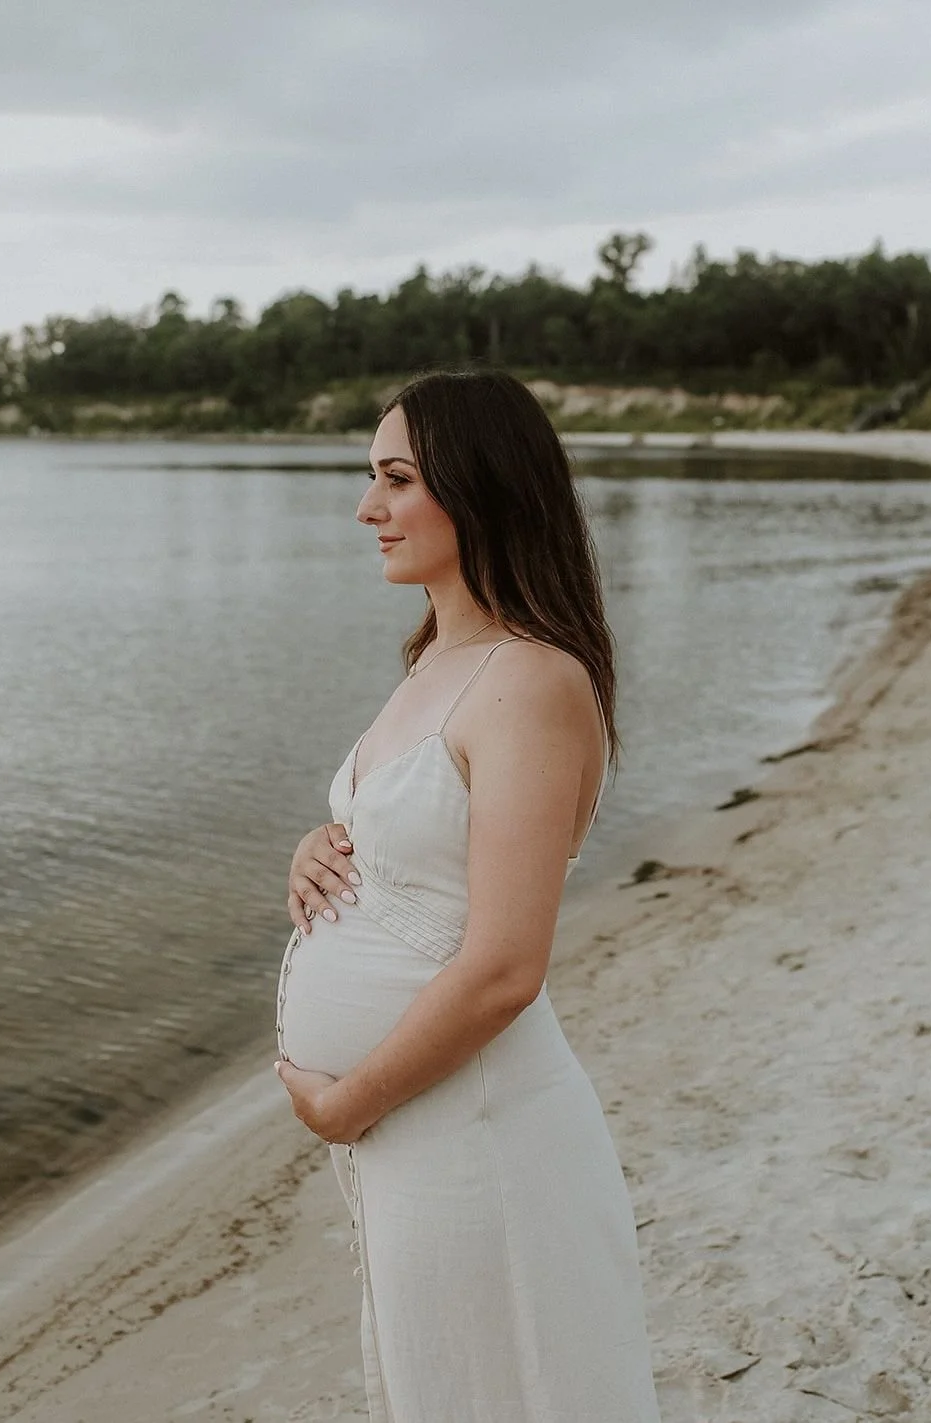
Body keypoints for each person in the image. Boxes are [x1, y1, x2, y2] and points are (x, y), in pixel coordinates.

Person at [273, 368, 660, 1422]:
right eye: (370, 479)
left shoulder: (532, 679)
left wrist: (346, 1105)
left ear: (477, 486)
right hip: (423, 1125)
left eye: (395, 479)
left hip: (478, 1128)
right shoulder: (436, 655)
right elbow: (417, 842)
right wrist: (318, 847)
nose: (366, 509)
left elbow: (501, 967)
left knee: (504, 1389)